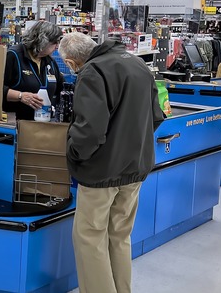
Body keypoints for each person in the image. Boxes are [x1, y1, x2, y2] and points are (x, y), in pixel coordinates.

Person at [58, 32, 165, 293]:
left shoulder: (92, 72)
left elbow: (90, 132)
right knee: (119, 237)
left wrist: (73, 154)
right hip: (136, 166)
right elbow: (157, 115)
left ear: (72, 63)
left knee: (90, 238)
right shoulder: (136, 63)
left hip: (101, 172)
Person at [3, 21, 64, 121]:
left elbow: (61, 88)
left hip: (43, 123)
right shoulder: (14, 56)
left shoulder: (50, 62)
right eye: (55, 43)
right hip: (16, 122)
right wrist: (20, 96)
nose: (57, 46)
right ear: (43, 41)